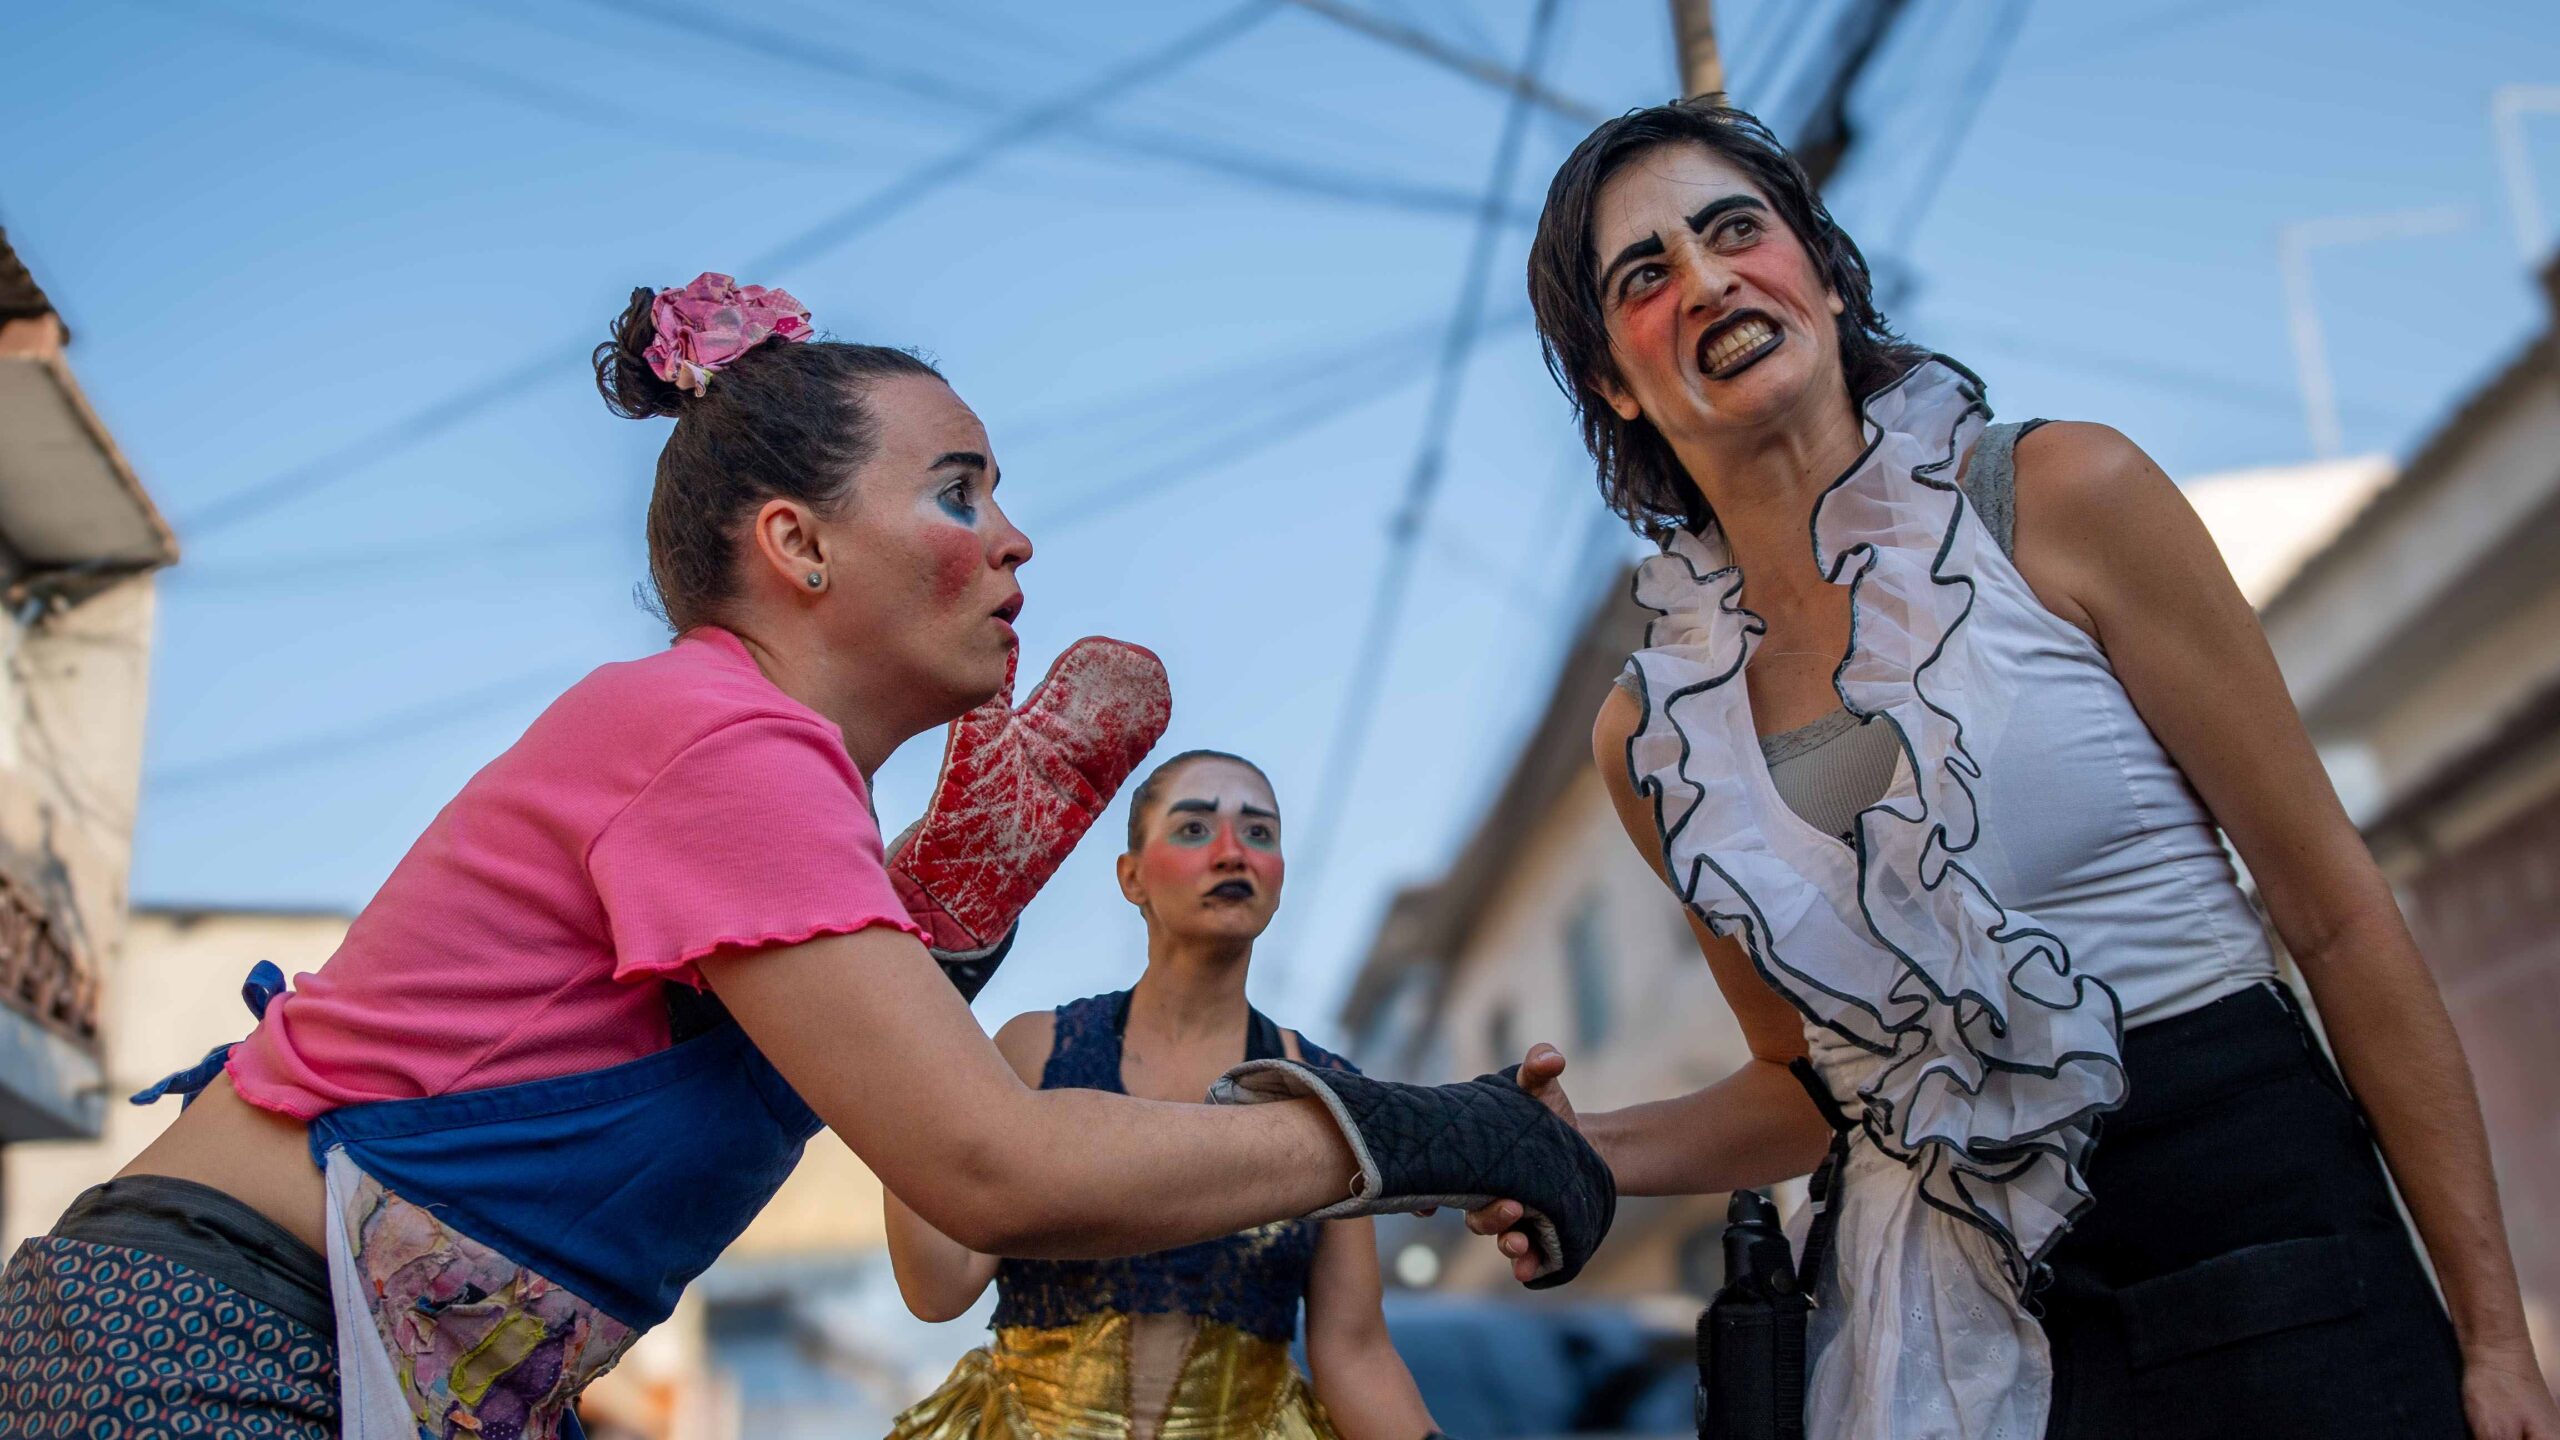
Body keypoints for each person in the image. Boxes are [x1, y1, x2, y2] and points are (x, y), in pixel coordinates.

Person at [0, 274, 1613, 1440]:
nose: (1015, 537)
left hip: (329, 1362)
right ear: (798, 544)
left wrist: (938, 948)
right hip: (211, 1346)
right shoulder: (721, 741)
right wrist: (1429, 1129)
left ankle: (944, 925)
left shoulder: (753, 774)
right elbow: (993, 1172)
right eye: (959, 491)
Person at [1459, 101, 2560, 1440]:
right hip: (1957, 1340)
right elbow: (1811, 1086)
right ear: (1614, 385)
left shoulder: (2061, 496)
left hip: (2258, 1242)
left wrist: (2494, 1340)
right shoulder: (1657, 736)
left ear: (1822, 272)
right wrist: (1581, 1150)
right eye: (1644, 275)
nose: (1705, 279)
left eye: (1735, 229)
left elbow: (2336, 918)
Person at [885, 749, 1441, 1440]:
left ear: (1278, 876)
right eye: (1194, 828)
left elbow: (1354, 1350)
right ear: (1132, 877)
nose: (1233, 852)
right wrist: (911, 995)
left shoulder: (1332, 1095)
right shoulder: (1034, 1052)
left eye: (1259, 833)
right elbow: (939, 1287)